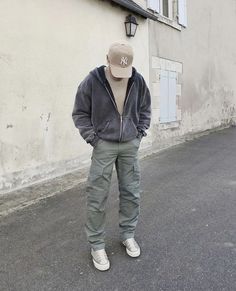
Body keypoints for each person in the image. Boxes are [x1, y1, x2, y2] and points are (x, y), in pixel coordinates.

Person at [72, 41, 151, 271]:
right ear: (107, 58)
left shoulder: (137, 80)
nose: (121, 75)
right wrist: (93, 138)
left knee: (131, 192)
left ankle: (128, 234)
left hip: (129, 145)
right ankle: (96, 244)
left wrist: (139, 133)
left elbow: (145, 108)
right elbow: (80, 112)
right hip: (103, 145)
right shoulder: (92, 81)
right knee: (97, 194)